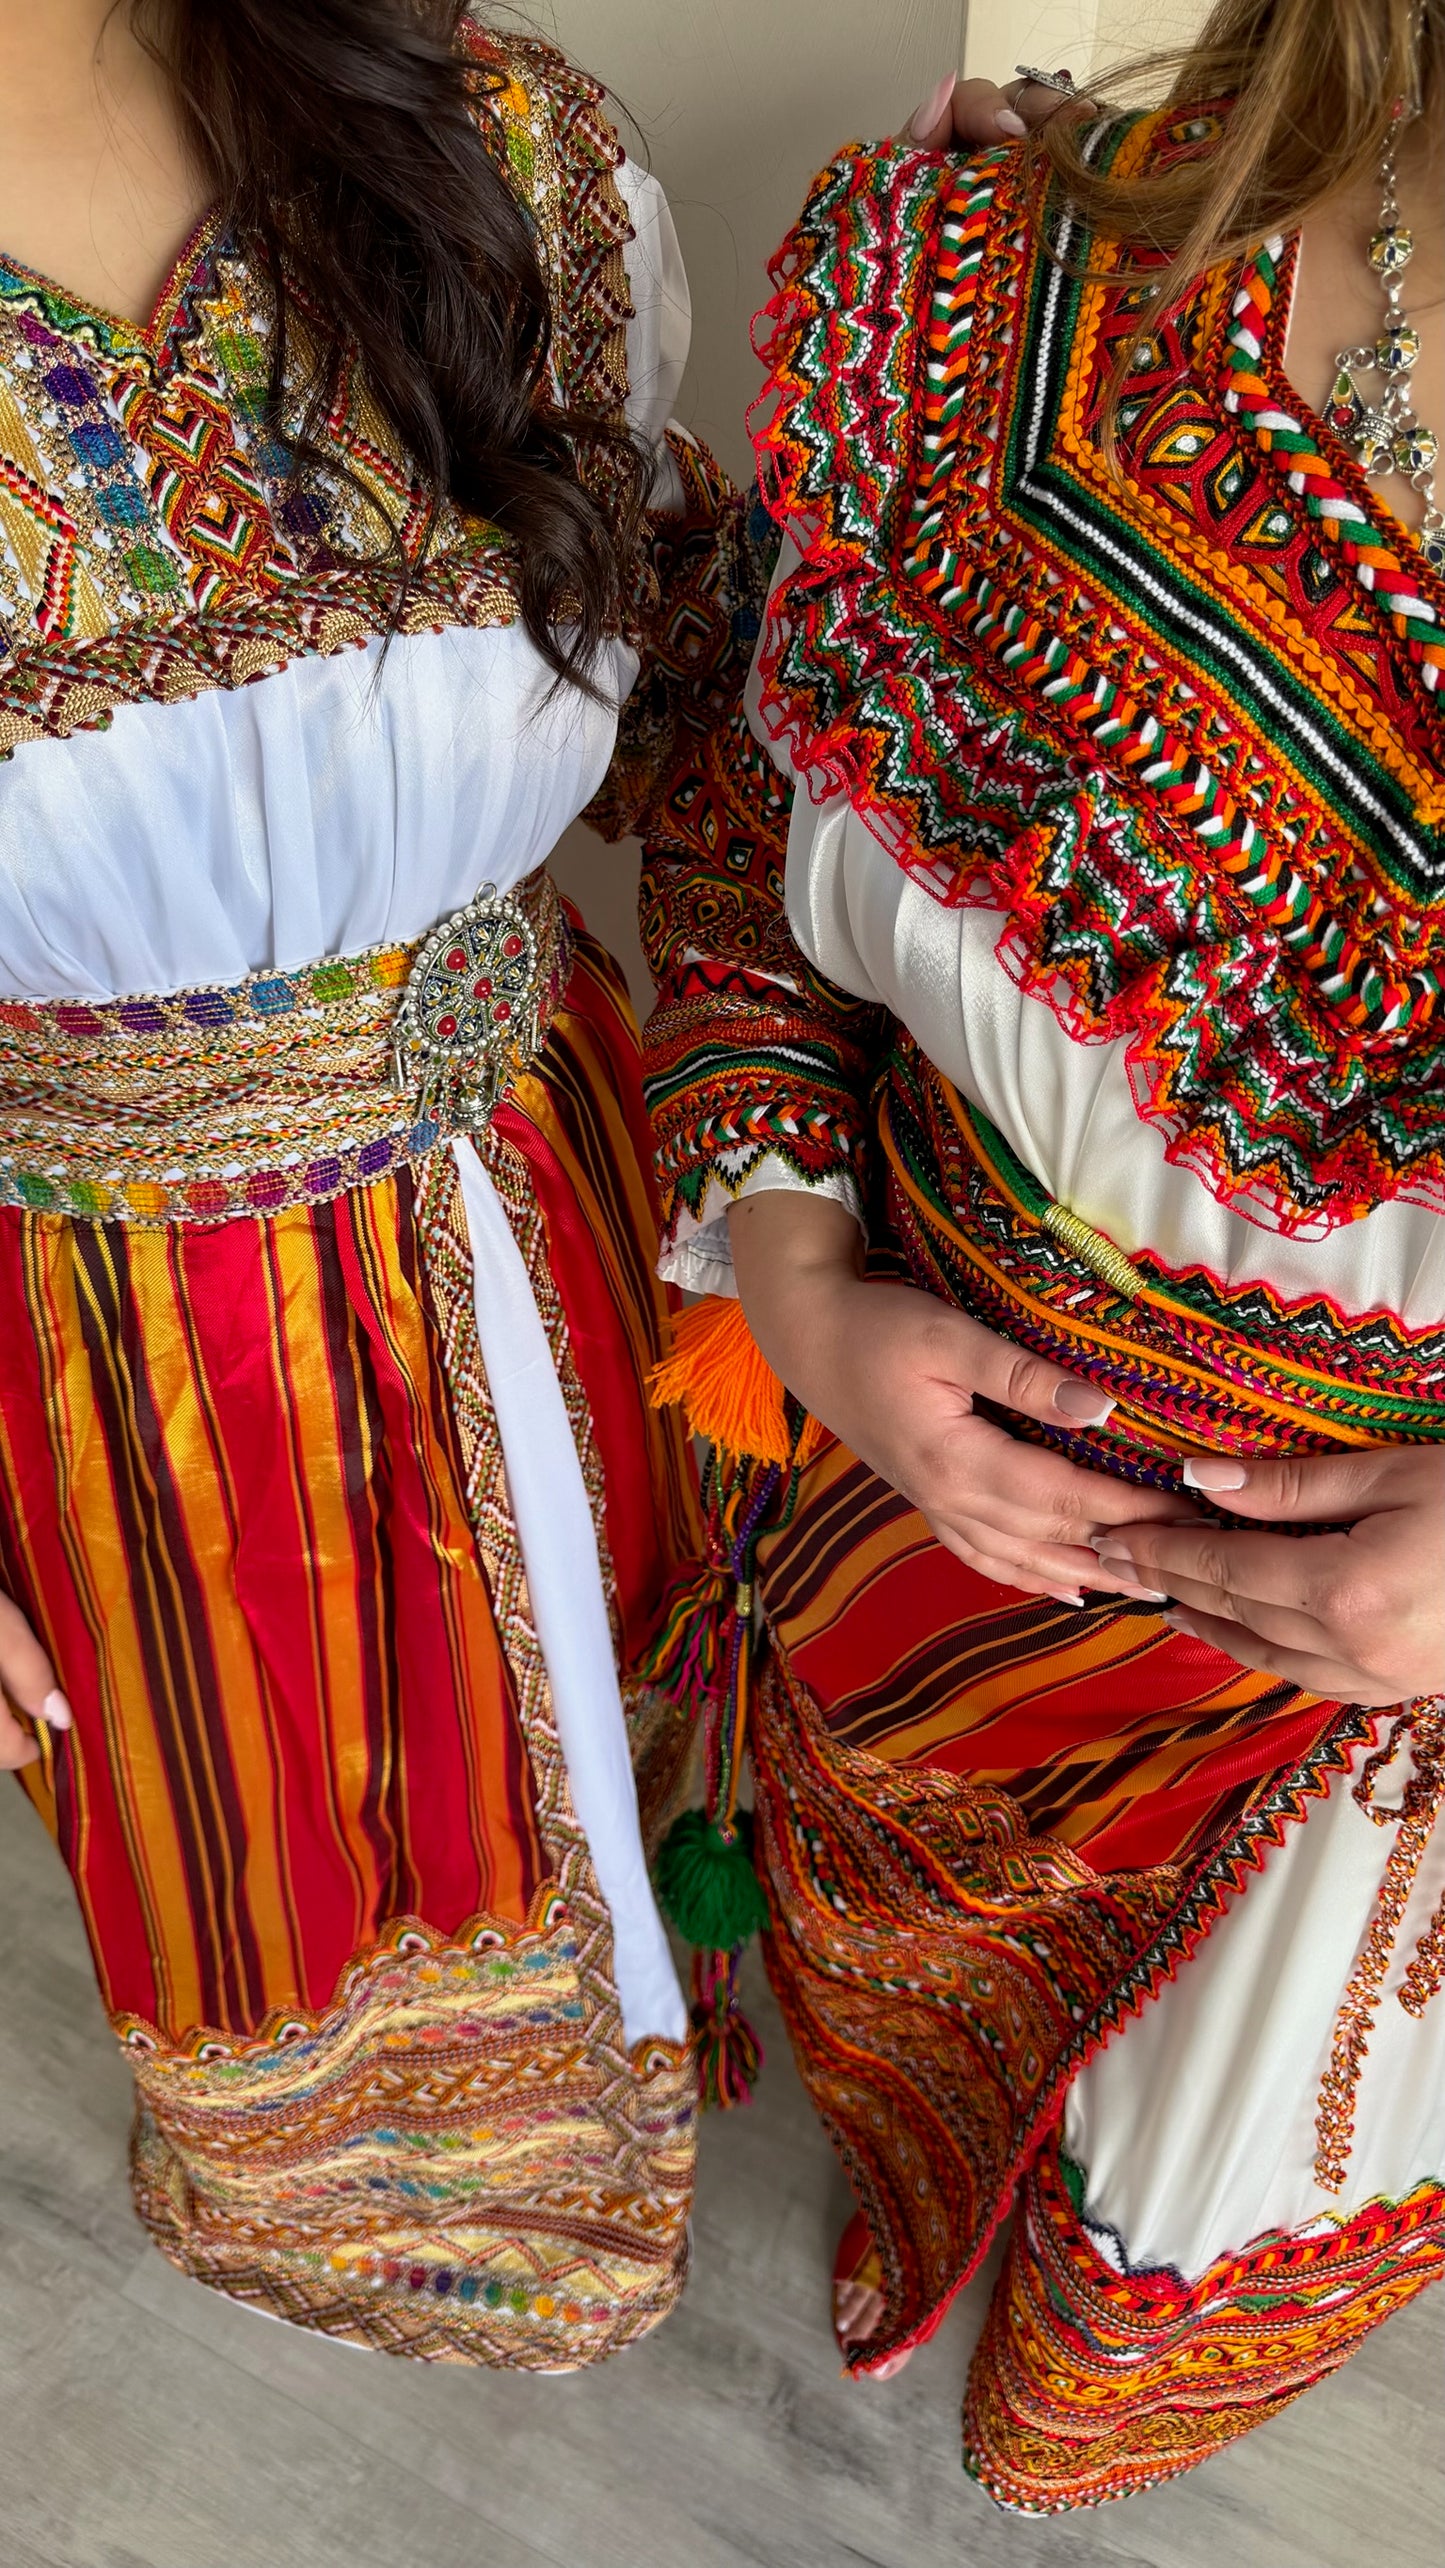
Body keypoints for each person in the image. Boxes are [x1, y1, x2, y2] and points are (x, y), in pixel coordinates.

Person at [0, 0, 1041, 2365]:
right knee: (277, 1878)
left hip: (559, 1194)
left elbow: (701, 690)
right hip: (131, 1357)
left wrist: (991, 360)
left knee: (616, 1726)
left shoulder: (493, 137)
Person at [641, 0, 1445, 2505]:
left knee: (1123, 2356)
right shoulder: (971, 273)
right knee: (896, 2040)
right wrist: (790, 1271)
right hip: (919, 1538)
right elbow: (738, 838)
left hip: (1384, 1769)